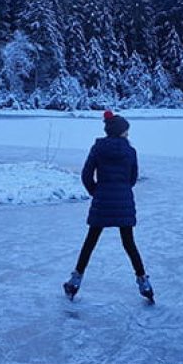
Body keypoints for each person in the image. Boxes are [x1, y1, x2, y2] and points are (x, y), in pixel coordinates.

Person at [63, 110, 154, 303]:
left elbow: (86, 175)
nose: (128, 135)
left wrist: (97, 192)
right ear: (120, 132)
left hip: (102, 200)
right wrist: (121, 190)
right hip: (124, 202)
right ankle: (144, 283)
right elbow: (132, 178)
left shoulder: (97, 148)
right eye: (126, 132)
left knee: (90, 242)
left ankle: (74, 281)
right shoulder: (130, 152)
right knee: (129, 243)